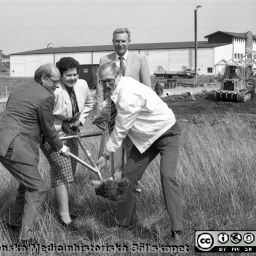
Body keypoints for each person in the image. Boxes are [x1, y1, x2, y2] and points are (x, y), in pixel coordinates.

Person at [96, 62, 184, 241]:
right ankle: (123, 223)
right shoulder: (118, 88)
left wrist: (105, 155)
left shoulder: (127, 93)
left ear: (118, 75)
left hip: (166, 132)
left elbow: (121, 128)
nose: (106, 84)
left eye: (109, 80)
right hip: (145, 140)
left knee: (167, 176)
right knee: (128, 177)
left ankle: (177, 231)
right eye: (102, 81)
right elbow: (110, 109)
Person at [0, 63, 70, 244]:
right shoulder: (46, 97)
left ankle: (13, 221)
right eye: (55, 82)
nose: (57, 86)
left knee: (26, 185)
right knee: (38, 188)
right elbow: (48, 128)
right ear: (44, 79)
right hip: (16, 146)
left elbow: (17, 113)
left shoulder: (21, 87)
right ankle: (26, 238)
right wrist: (61, 147)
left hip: (1, 140)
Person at [40, 57, 94, 228]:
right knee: (62, 170)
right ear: (60, 75)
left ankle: (64, 209)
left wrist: (80, 120)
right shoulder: (53, 90)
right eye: (68, 75)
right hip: (52, 134)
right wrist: (60, 126)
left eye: (75, 75)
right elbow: (44, 117)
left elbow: (90, 103)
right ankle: (64, 218)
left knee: (69, 170)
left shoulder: (83, 85)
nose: (73, 78)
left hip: (72, 131)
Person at [94, 27, 151, 178]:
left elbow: (147, 88)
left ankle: (133, 187)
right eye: (117, 41)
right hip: (113, 114)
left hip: (134, 116)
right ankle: (117, 187)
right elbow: (100, 89)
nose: (120, 44)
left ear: (129, 42)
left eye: (123, 41)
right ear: (113, 42)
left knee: (134, 155)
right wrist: (99, 113)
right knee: (116, 156)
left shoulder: (140, 59)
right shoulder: (104, 60)